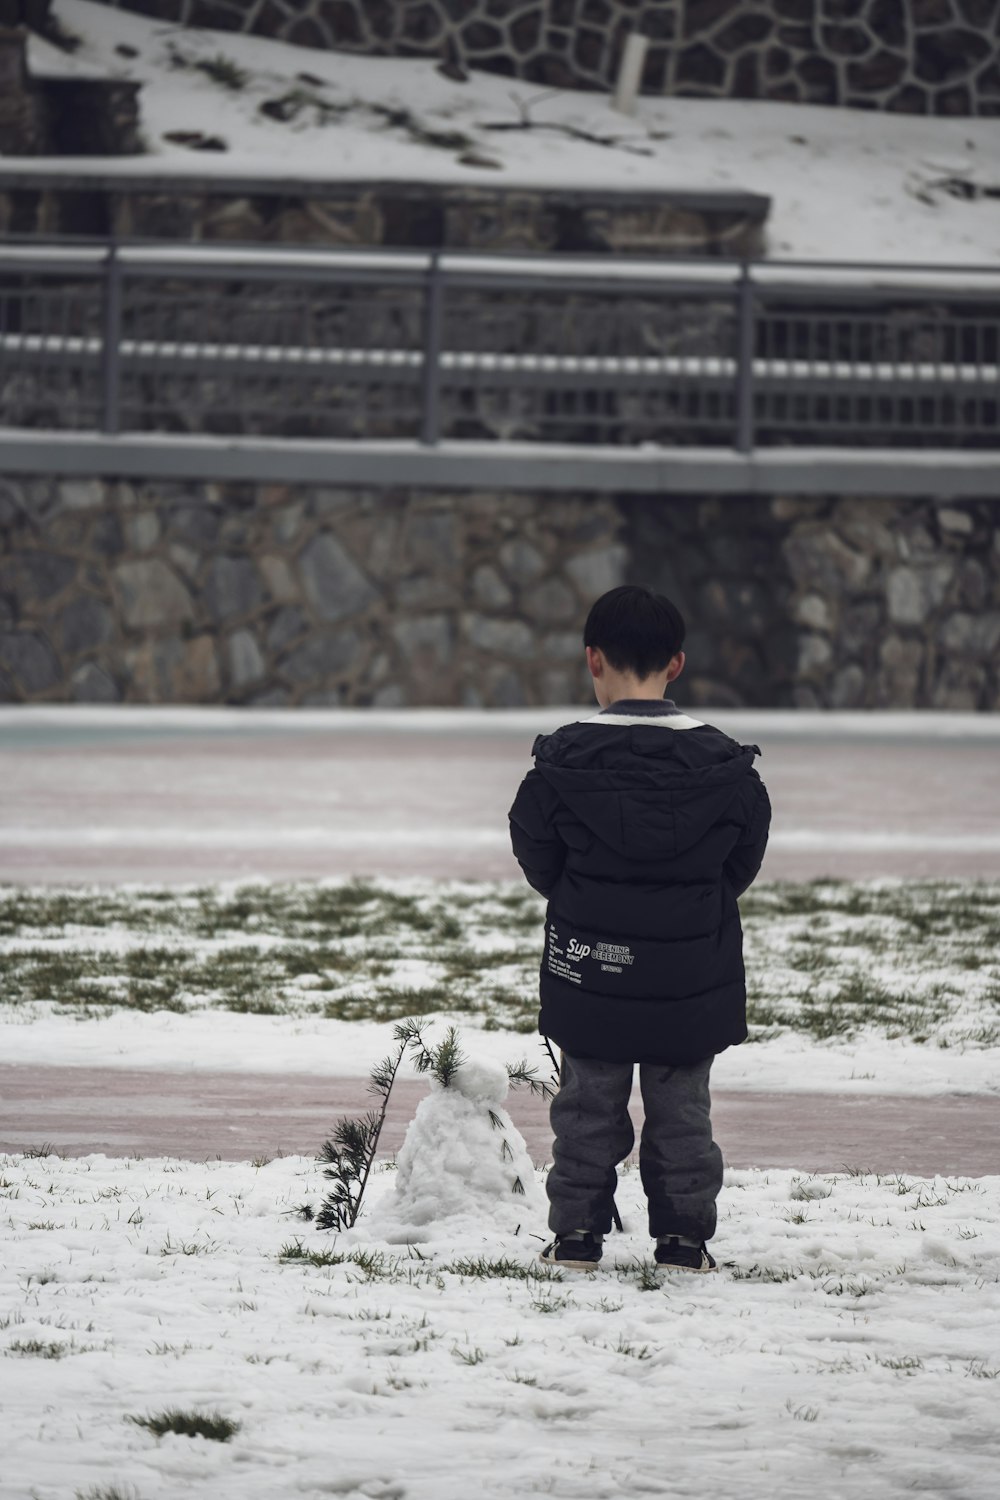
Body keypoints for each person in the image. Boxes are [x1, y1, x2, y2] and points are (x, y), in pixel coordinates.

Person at [508, 584, 771, 1274]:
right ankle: (684, 1238)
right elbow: (739, 864)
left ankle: (576, 1234)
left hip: (591, 966)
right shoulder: (728, 771)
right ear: (676, 665)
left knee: (587, 1105)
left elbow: (540, 859)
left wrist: (586, 901)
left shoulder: (560, 769)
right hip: (692, 975)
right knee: (683, 1108)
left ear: (591, 659)